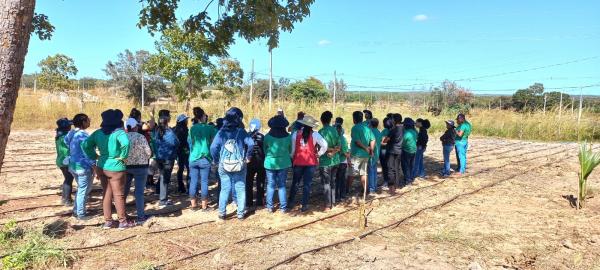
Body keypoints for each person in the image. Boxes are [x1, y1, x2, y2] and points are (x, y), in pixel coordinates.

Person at [82, 109, 135, 229]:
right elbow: (126, 143)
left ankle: (108, 221)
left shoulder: (98, 133)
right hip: (116, 167)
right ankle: (122, 221)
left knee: (106, 193)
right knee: (119, 194)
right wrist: (123, 157)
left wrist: (95, 156)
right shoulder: (119, 133)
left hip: (102, 166)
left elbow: (85, 145)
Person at [210, 107, 254, 220]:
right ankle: (240, 214)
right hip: (239, 165)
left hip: (224, 165)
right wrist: (248, 157)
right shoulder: (242, 132)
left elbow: (213, 147)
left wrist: (216, 161)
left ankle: (222, 213)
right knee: (240, 188)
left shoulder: (220, 133)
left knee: (225, 189)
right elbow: (251, 144)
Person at [288, 115, 328, 212]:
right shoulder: (315, 135)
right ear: (312, 125)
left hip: (298, 161)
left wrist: (292, 157)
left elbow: (293, 150)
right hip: (310, 162)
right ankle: (304, 205)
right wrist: (318, 154)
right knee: (307, 184)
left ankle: (290, 203)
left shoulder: (295, 134)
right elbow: (325, 145)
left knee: (295, 182)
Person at [64, 114, 95, 220]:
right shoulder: (83, 135)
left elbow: (65, 141)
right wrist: (94, 165)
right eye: (88, 120)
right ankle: (80, 214)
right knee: (83, 190)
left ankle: (76, 210)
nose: (89, 121)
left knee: (81, 189)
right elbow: (87, 152)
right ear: (83, 122)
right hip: (82, 167)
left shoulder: (72, 133)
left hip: (73, 166)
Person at [124, 117, 152, 223]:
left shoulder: (123, 137)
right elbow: (148, 152)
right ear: (136, 127)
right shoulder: (141, 137)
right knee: (139, 193)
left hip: (126, 167)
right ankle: (141, 217)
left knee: (124, 191)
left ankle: (122, 215)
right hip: (141, 167)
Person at [188, 107, 217, 210]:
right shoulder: (210, 128)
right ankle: (204, 206)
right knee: (204, 182)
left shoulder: (192, 128)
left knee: (193, 181)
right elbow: (214, 143)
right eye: (205, 115)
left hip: (193, 158)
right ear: (202, 116)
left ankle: (193, 205)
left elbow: (191, 142)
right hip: (205, 158)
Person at [263, 115, 292, 213]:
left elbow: (264, 149)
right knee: (282, 185)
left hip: (270, 163)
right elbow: (290, 150)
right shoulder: (288, 137)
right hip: (283, 163)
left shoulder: (267, 137)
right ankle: (283, 208)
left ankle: (270, 207)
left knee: (270, 185)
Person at [151, 110, 179, 208]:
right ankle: (163, 200)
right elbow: (175, 142)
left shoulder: (157, 131)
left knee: (163, 177)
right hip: (168, 158)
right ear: (167, 122)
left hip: (159, 157)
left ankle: (162, 196)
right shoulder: (169, 132)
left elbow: (154, 143)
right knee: (165, 179)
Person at [317, 111, 341, 210]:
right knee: (332, 182)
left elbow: (322, 147)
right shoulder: (335, 130)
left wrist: (329, 151)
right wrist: (334, 152)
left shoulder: (321, 132)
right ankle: (333, 202)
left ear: (321, 120)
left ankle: (327, 205)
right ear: (330, 120)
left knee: (326, 183)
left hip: (325, 161)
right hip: (335, 160)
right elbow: (339, 147)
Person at [349, 111, 375, 195]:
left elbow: (357, 142)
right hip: (365, 155)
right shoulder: (367, 128)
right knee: (363, 173)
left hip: (356, 155)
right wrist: (371, 149)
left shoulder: (355, 128)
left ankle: (346, 190)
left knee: (352, 173)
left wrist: (366, 148)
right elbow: (373, 139)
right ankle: (365, 190)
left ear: (354, 119)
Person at [246, 119, 266, 208]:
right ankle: (259, 202)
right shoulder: (262, 136)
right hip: (260, 162)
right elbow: (265, 150)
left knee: (249, 182)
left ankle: (248, 202)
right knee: (260, 181)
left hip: (249, 162)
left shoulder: (246, 136)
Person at [55, 118, 74, 206]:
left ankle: (64, 198)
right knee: (69, 179)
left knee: (67, 179)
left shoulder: (59, 135)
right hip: (66, 161)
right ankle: (67, 200)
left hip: (60, 160)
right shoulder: (67, 136)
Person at [385, 114, 404, 193]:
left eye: (392, 119)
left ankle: (391, 187)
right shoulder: (403, 128)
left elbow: (386, 140)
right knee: (397, 168)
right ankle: (397, 185)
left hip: (392, 151)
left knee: (390, 169)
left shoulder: (393, 129)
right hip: (399, 150)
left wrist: (385, 139)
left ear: (394, 120)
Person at [174, 114, 191, 194]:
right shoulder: (183, 129)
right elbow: (183, 141)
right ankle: (188, 186)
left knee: (180, 169)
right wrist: (186, 150)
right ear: (183, 121)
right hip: (184, 150)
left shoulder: (176, 129)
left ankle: (181, 187)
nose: (187, 121)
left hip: (178, 150)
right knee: (188, 168)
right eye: (186, 120)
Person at [334, 118, 350, 200]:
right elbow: (345, 152)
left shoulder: (335, 138)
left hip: (336, 162)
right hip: (342, 162)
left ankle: (336, 196)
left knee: (337, 180)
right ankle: (341, 195)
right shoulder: (343, 139)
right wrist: (349, 159)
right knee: (342, 179)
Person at [401, 118, 417, 185]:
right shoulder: (414, 132)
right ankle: (410, 178)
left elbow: (403, 142)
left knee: (405, 166)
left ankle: (408, 181)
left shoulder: (406, 133)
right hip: (413, 150)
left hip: (406, 151)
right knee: (411, 165)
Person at [368, 118, 382, 193]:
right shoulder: (379, 132)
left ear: (371, 124)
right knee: (374, 171)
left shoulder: (370, 132)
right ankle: (375, 187)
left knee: (370, 171)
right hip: (377, 154)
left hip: (371, 154)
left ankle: (371, 189)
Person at [379, 117, 394, 189]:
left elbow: (382, 142)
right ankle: (391, 182)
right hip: (392, 150)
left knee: (385, 167)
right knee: (390, 167)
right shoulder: (394, 130)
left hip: (384, 150)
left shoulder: (385, 131)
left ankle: (386, 182)